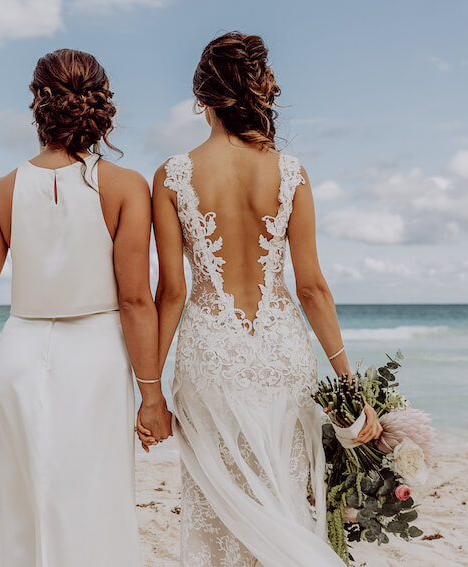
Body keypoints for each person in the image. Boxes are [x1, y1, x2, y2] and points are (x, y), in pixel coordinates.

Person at [0, 48, 172, 566]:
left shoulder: (1, 192)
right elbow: (136, 299)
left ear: (37, 103)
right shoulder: (124, 186)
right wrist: (151, 395)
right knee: (95, 502)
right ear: (99, 106)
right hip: (96, 360)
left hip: (20, 356)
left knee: (20, 504)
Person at [149, 32, 382, 566]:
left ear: (202, 99)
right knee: (282, 493)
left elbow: (171, 293)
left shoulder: (171, 176)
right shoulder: (291, 173)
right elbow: (311, 287)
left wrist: (151, 391)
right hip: (281, 350)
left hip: (211, 352)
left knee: (220, 498)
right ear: (257, 94)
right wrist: (347, 382)